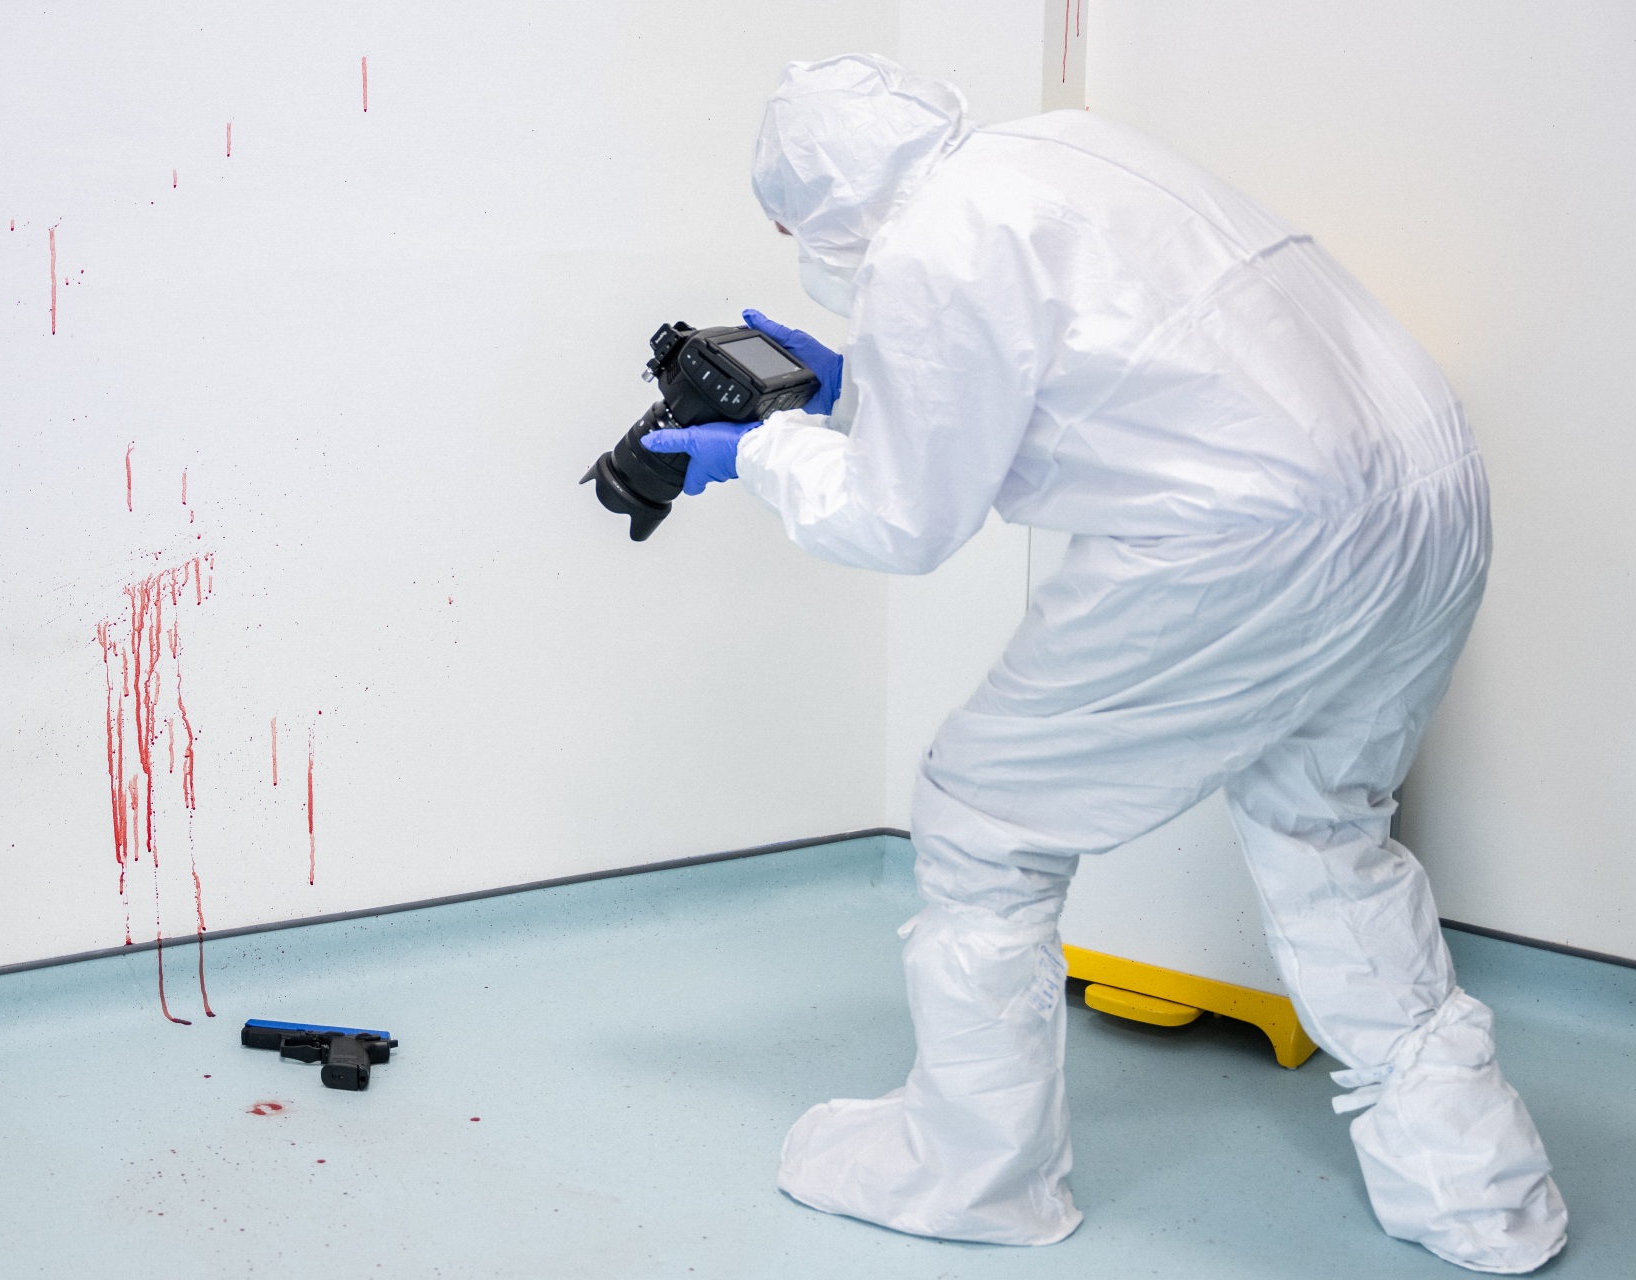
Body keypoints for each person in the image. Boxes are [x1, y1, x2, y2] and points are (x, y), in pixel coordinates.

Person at [642, 54, 1566, 1275]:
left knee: (981, 820)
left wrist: (756, 455)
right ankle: (1482, 1193)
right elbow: (1129, 374)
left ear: (822, 202)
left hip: (1254, 532)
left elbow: (899, 522)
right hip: (1425, 479)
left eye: (786, 220)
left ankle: (977, 1172)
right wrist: (871, 385)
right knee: (1323, 823)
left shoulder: (929, 248)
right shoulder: (1063, 146)